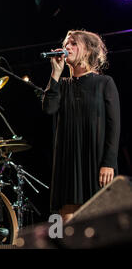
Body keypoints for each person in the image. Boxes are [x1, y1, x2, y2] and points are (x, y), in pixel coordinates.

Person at [42, 29, 121, 223]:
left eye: (73, 43)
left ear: (87, 51)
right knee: (67, 226)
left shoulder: (104, 83)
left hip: (96, 161)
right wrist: (56, 73)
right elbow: (49, 109)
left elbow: (114, 125)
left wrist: (108, 162)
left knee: (99, 225)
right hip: (69, 162)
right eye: (66, 44)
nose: (66, 47)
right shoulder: (62, 85)